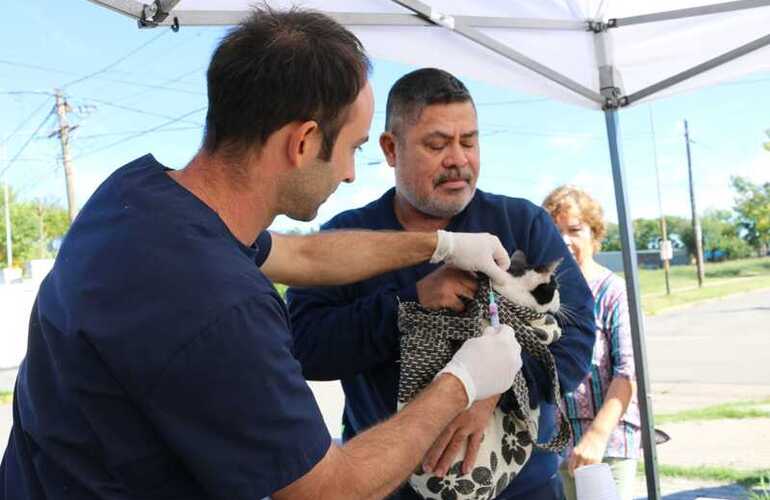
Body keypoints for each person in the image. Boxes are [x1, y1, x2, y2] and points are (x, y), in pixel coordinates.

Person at [0, 10, 524, 500]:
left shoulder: (135, 196)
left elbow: (306, 259)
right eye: (354, 149)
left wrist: (441, 244)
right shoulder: (221, 304)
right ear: (303, 142)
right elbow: (327, 490)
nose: (348, 173)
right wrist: (464, 381)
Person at [287, 68, 596, 500]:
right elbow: (305, 348)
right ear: (391, 150)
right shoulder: (346, 238)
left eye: (468, 141)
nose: (458, 159)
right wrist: (408, 307)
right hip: (394, 488)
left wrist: (496, 387)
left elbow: (577, 333)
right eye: (437, 144)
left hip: (524, 489)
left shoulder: (523, 223)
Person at [542, 185, 640, 500]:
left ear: (594, 235)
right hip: (555, 444)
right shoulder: (543, 296)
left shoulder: (613, 291)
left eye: (575, 230)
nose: (565, 240)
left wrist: (596, 438)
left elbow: (628, 373)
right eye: (556, 232)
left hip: (607, 444)